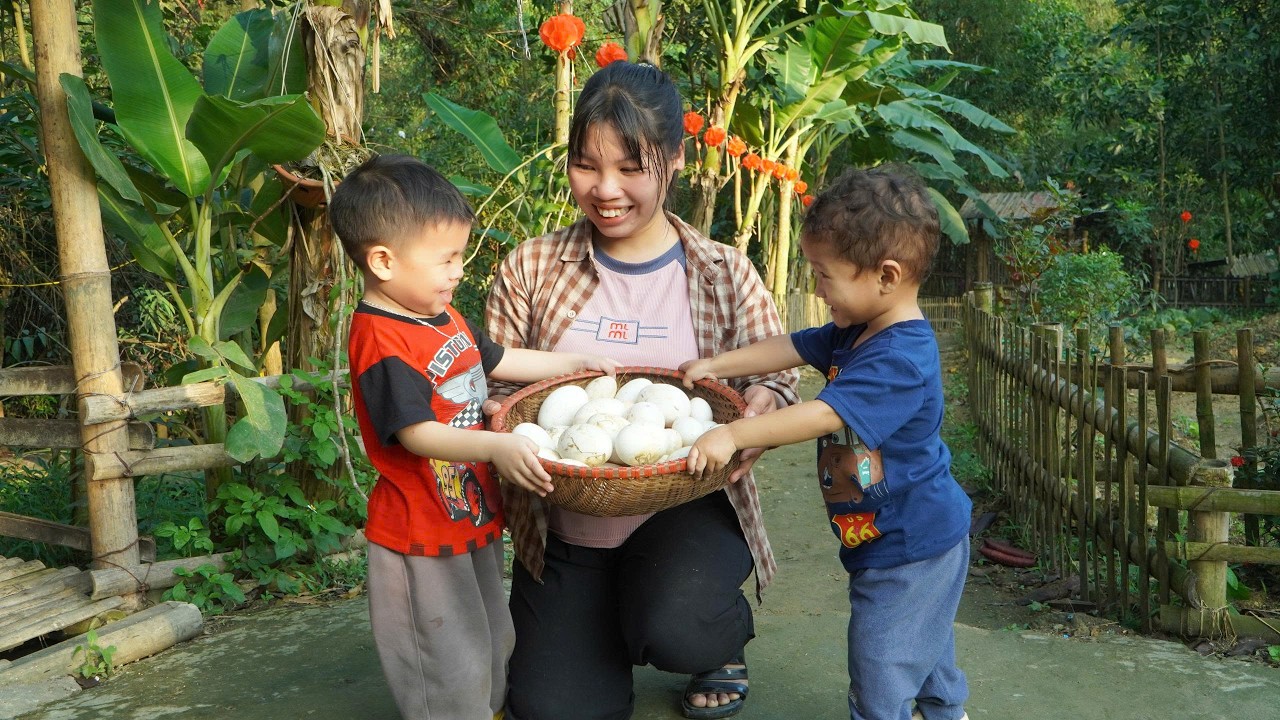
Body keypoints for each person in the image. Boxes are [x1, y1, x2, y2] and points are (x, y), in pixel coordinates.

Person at [483, 61, 800, 720]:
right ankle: (601, 623)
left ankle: (714, 641)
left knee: (676, 619)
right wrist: (491, 418)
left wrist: (765, 406)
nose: (605, 190)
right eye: (586, 165)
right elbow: (486, 382)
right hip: (565, 530)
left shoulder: (721, 272)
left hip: (687, 513)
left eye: (631, 168)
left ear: (676, 160)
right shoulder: (532, 268)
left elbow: (778, 375)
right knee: (551, 709)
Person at [330, 154, 618, 720]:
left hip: (467, 516)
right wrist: (496, 446)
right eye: (447, 258)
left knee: (492, 635)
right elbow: (416, 434)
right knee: (445, 656)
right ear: (383, 261)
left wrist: (572, 361)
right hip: (420, 528)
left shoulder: (438, 314)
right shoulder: (381, 339)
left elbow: (496, 358)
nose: (459, 270)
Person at [680, 167, 972, 720]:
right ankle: (944, 711)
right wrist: (716, 364)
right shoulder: (855, 330)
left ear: (886, 275)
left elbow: (821, 414)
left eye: (824, 275)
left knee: (880, 660)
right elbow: (789, 346)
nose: (816, 289)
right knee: (922, 637)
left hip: (913, 541)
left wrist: (733, 433)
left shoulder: (899, 358)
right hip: (881, 532)